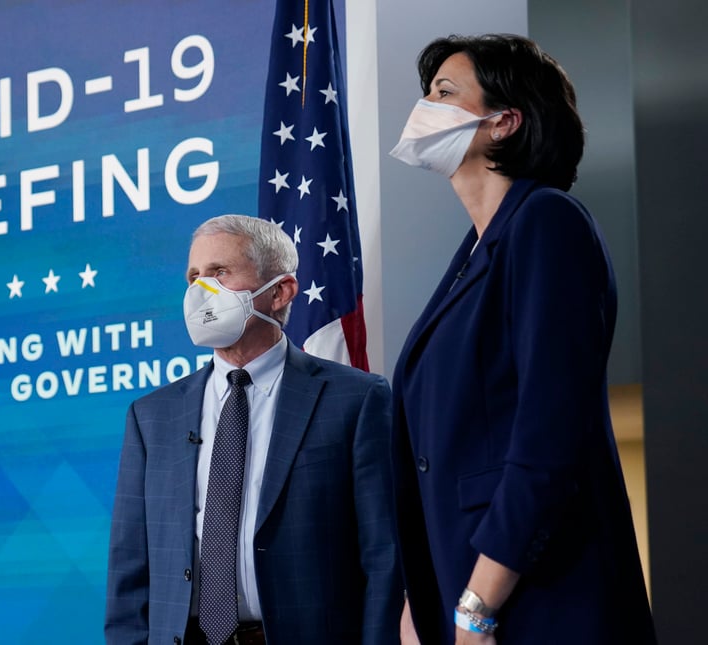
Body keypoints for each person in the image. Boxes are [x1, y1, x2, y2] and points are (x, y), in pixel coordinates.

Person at [388, 34, 658, 644]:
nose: (425, 106)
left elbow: (549, 430)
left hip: (536, 597)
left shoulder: (547, 222)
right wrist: (419, 601)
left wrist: (477, 604)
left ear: (504, 122)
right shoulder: (475, 253)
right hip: (467, 594)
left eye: (445, 92)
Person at [104, 214, 401, 645]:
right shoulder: (152, 416)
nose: (200, 291)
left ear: (280, 291)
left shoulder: (355, 399)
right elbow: (129, 565)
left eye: (219, 273)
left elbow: (383, 556)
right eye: (193, 277)